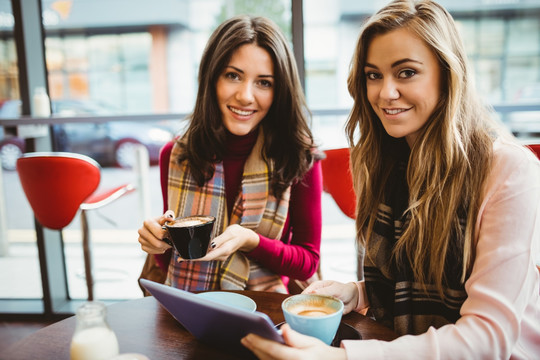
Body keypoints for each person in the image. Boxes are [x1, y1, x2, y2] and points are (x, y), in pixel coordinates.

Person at [241, 0, 540, 358]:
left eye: (406, 72)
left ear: (448, 74)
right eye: (373, 75)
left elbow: (488, 337)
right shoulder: (387, 162)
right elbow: (414, 281)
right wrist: (358, 292)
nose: (385, 93)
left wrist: (341, 357)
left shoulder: (508, 170)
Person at [137, 15, 322, 293]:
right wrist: (157, 242)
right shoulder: (176, 155)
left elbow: (307, 263)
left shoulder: (298, 156)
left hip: (264, 309)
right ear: (212, 79)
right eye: (233, 76)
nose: (246, 96)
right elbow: (171, 264)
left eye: (264, 83)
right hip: (189, 308)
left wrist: (252, 241)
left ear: (280, 91)